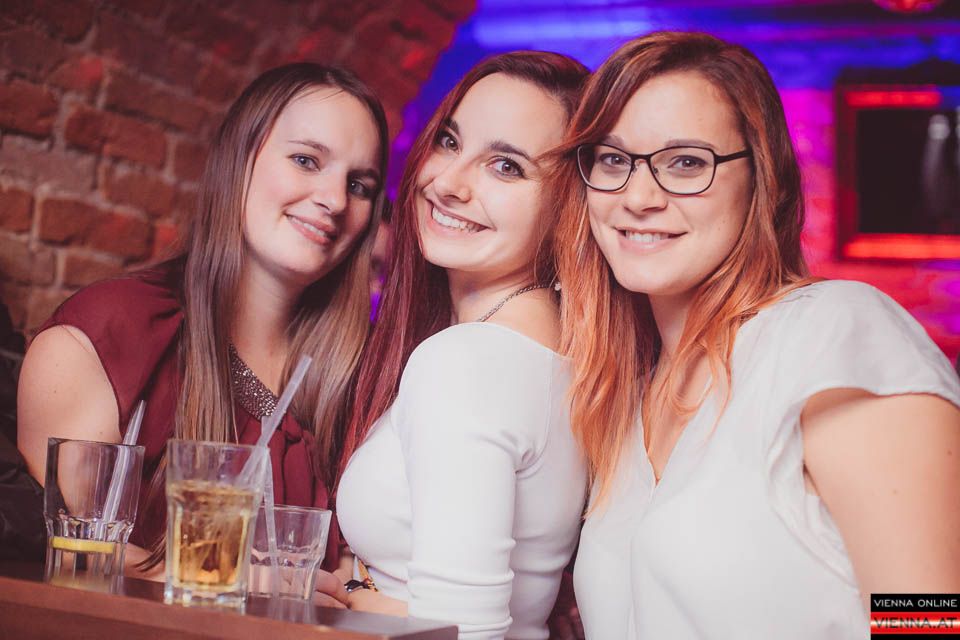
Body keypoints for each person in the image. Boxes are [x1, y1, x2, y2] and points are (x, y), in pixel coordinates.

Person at [552, 31, 960, 639]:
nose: (638, 197)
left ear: (762, 179)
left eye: (686, 162)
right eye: (613, 160)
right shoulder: (630, 394)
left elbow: (928, 621)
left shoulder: (834, 337)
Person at [17, 63, 389, 605]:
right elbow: (75, 561)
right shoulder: (108, 336)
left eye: (359, 186)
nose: (334, 199)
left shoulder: (368, 373)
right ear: (239, 160)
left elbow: (379, 571)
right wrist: (244, 584)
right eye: (306, 160)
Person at [335, 52, 589, 638]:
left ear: (569, 207)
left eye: (506, 167)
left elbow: (464, 633)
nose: (447, 183)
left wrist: (350, 598)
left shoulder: (467, 361)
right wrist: (360, 589)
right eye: (449, 142)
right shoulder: (557, 353)